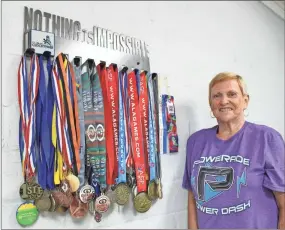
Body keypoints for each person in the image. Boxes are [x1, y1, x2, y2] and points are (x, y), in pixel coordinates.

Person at [182, 72, 285, 229]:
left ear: (245, 100)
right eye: (217, 96)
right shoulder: (195, 142)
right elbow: (192, 199)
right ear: (210, 104)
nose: (224, 101)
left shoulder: (266, 138)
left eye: (232, 94)